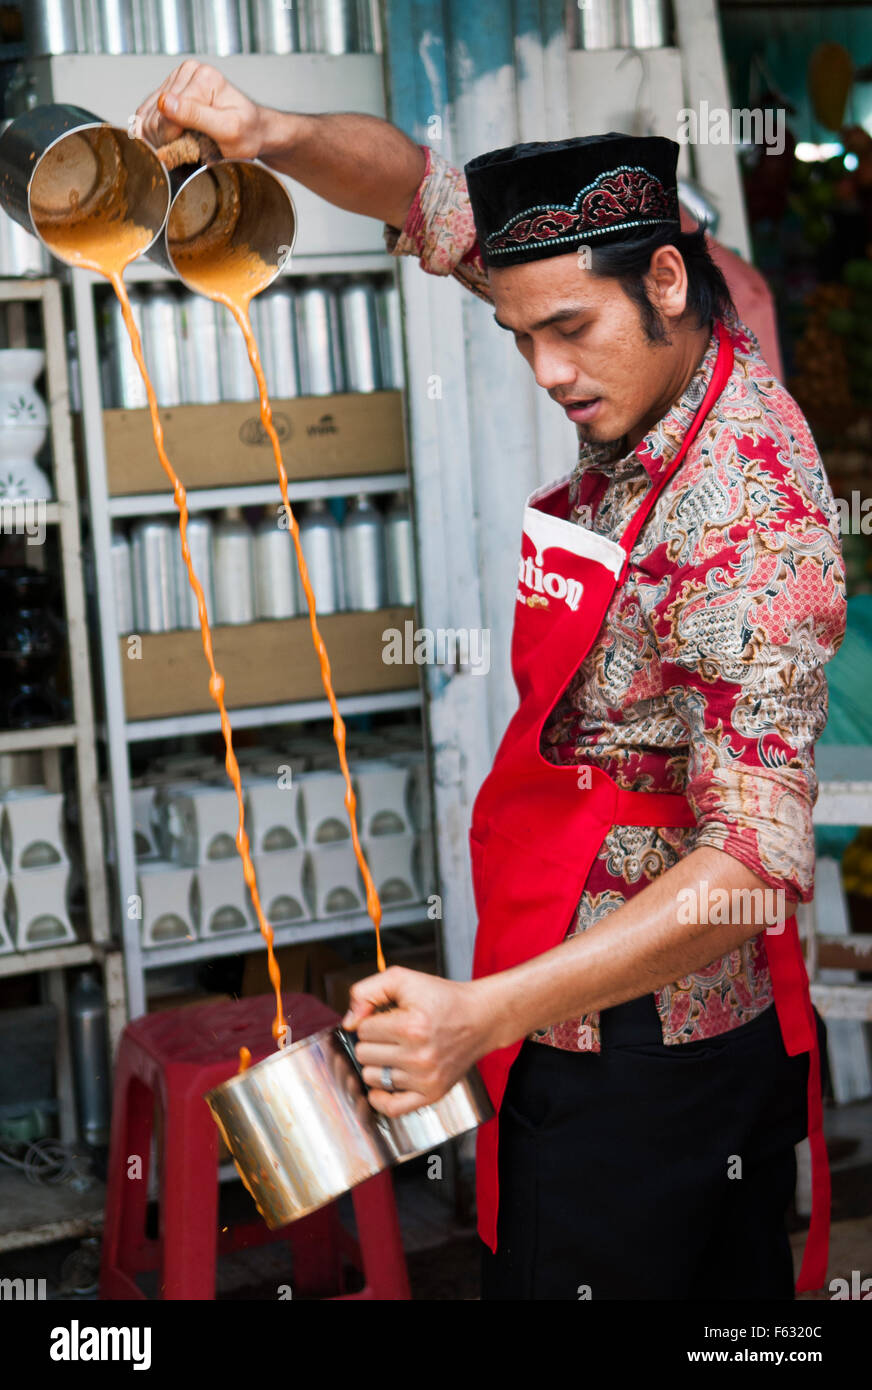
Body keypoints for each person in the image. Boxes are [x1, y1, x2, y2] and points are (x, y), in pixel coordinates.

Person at [137, 66, 846, 1301]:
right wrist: (273, 132)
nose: (547, 374)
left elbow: (751, 864)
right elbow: (414, 190)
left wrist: (483, 1012)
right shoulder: (619, 284)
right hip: (558, 976)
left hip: (649, 1052)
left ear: (667, 285)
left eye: (569, 332)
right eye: (521, 334)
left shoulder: (755, 529)